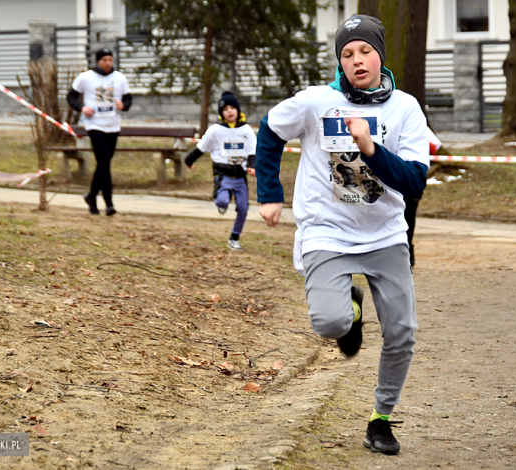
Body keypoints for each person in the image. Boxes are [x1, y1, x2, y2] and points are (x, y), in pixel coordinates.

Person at [255, 15, 430, 455]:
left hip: (385, 233)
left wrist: (371, 148)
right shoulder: (317, 101)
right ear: (340, 61)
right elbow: (270, 130)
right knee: (329, 323)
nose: (356, 60)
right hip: (326, 230)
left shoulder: (405, 109)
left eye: (365, 51)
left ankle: (381, 419)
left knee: (403, 332)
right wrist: (270, 193)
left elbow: (414, 183)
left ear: (380, 56)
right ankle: (349, 309)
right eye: (347, 54)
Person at [184, 91, 257, 250]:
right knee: (222, 201)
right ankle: (224, 197)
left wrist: (253, 166)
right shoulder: (215, 130)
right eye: (225, 109)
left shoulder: (246, 130)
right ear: (221, 113)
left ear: (238, 110)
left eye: (232, 108)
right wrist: (188, 160)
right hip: (223, 174)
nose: (230, 111)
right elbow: (201, 147)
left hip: (240, 176)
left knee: (244, 209)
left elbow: (252, 151)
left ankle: (234, 237)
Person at [67, 48, 132, 216]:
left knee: (103, 163)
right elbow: (71, 97)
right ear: (98, 61)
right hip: (95, 126)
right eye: (104, 60)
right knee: (104, 162)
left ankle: (91, 196)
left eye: (110, 59)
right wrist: (82, 107)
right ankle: (109, 204)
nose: (107, 63)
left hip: (113, 126)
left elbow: (128, 99)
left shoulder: (119, 78)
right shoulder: (85, 77)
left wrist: (123, 105)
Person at [404, 127, 442, 266]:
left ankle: (407, 254)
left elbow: (434, 146)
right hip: (409, 178)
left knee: (407, 217)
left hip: (409, 179)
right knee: (408, 217)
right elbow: (434, 146)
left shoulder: (413, 121)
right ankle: (407, 254)